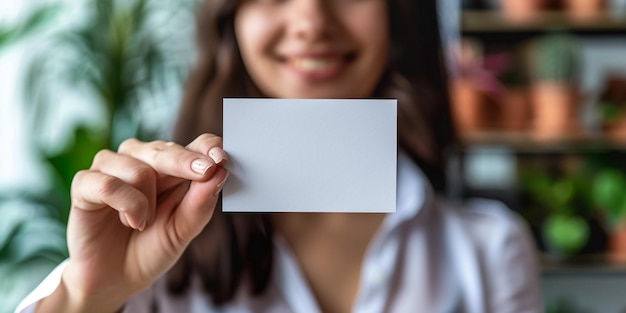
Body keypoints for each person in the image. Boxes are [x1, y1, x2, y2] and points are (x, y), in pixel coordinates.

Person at [16, 0, 542, 312]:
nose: (311, 20)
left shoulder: (490, 251)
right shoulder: (153, 249)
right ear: (231, 17)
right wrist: (87, 296)